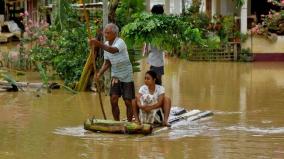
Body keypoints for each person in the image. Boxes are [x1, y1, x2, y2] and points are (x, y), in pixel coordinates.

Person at [89, 23, 135, 122]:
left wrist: (97, 44)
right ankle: (117, 122)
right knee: (113, 99)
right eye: (105, 33)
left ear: (115, 33)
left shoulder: (120, 42)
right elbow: (107, 62)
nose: (105, 35)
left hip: (126, 74)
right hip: (116, 76)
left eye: (108, 33)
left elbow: (113, 50)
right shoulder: (105, 45)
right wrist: (99, 74)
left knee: (127, 101)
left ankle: (129, 122)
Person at [144, 4, 165, 85]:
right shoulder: (154, 25)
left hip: (156, 60)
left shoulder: (160, 26)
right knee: (156, 80)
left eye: (153, 13)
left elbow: (160, 45)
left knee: (157, 80)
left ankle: (159, 95)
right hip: (155, 59)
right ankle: (157, 95)